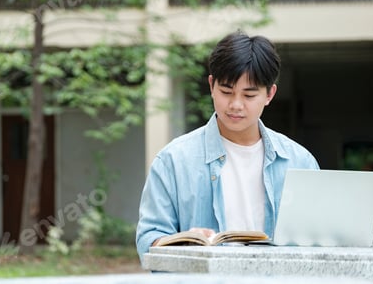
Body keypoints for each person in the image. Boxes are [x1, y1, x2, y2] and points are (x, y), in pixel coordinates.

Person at [136, 31, 319, 261]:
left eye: (249, 95)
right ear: (211, 85)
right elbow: (148, 240)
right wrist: (183, 243)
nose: (235, 105)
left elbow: (317, 244)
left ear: (269, 94)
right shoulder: (173, 160)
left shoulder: (300, 161)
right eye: (226, 92)